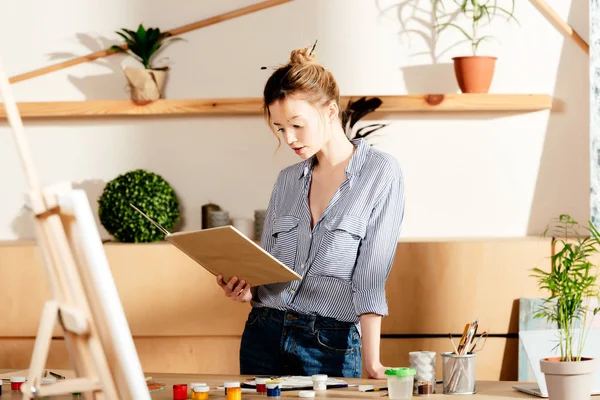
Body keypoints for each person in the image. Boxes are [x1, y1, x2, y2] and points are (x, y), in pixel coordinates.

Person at [216, 44, 405, 379]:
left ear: (330, 111)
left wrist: (372, 361)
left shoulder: (380, 173)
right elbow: (267, 269)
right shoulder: (287, 180)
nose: (289, 138)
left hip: (329, 342)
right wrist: (246, 290)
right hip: (264, 334)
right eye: (279, 128)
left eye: (297, 125)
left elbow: (371, 277)